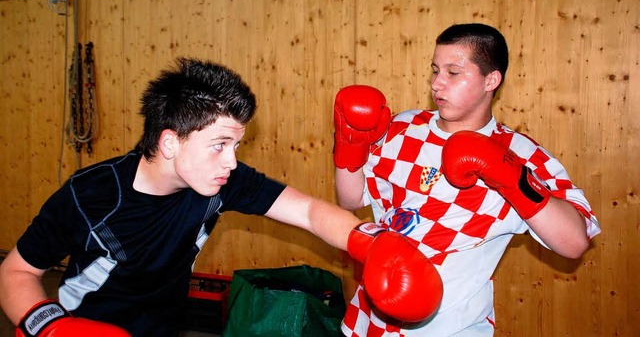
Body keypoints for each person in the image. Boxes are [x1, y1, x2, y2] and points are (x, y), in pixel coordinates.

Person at [0, 58, 443, 337]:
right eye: (220, 144)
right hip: (86, 326)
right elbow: (15, 271)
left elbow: (309, 211)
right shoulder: (91, 194)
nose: (231, 162)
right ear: (171, 143)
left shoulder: (221, 180)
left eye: (236, 146)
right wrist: (52, 326)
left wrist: (370, 240)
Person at [333, 23, 601, 336]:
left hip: (451, 327)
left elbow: (574, 243)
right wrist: (349, 146)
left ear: (491, 79)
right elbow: (351, 200)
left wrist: (510, 176)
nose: (437, 84)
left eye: (453, 73)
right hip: (368, 321)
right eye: (435, 70)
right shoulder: (403, 127)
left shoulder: (521, 153)